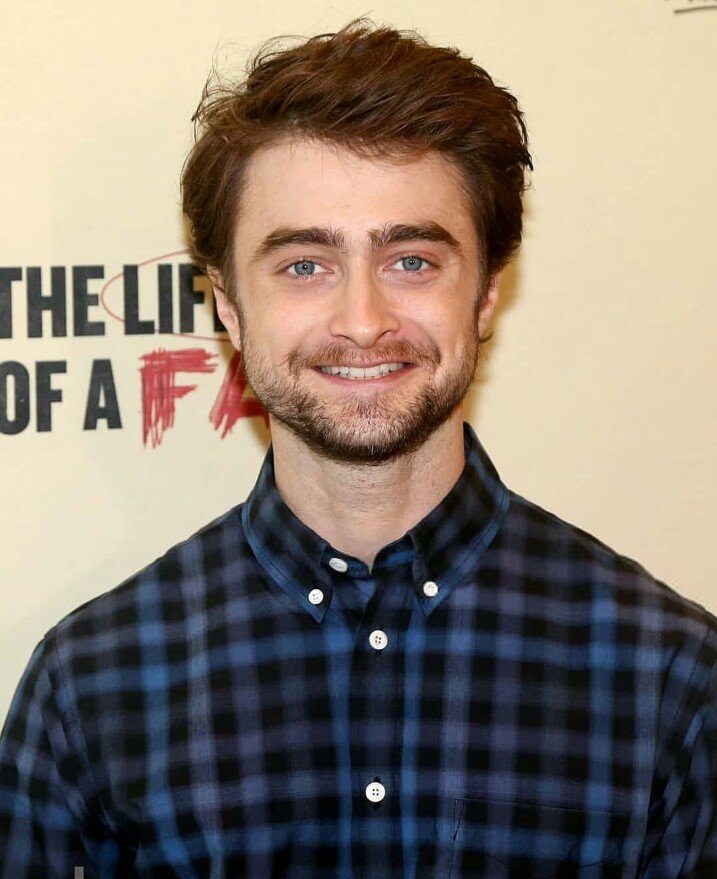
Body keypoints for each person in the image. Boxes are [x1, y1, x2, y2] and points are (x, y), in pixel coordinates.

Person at [1, 18, 715, 878]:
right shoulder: (92, 683)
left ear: (486, 292)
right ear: (227, 306)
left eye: (411, 260)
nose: (363, 320)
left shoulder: (668, 676)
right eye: (304, 265)